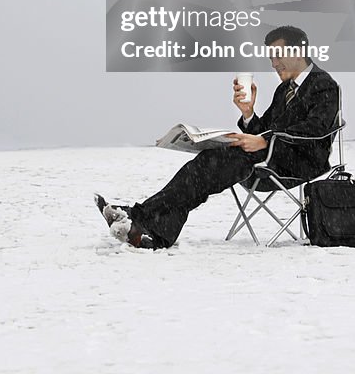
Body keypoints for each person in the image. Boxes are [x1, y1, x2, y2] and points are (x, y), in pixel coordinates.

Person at [97, 25, 341, 249]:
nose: (274, 63)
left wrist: (265, 140)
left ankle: (141, 217)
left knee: (212, 166)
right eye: (271, 58)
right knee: (208, 163)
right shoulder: (284, 90)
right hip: (269, 158)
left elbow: (316, 129)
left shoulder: (324, 84)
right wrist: (248, 114)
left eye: (278, 56)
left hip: (302, 162)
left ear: (299, 51)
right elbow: (262, 129)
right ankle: (154, 233)